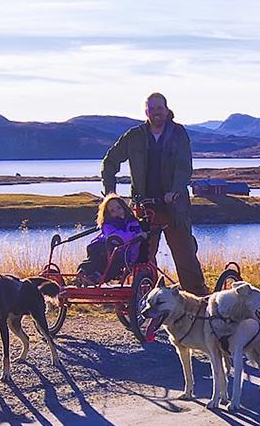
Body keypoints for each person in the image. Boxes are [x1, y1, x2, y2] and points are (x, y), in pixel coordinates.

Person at [101, 92, 208, 295]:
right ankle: (146, 300)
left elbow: (184, 166)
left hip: (174, 208)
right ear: (146, 112)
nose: (156, 112)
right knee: (142, 258)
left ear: (166, 110)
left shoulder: (178, 133)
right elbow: (110, 162)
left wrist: (175, 191)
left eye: (160, 108)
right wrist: (111, 194)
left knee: (185, 256)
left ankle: (198, 301)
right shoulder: (134, 136)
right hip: (143, 207)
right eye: (152, 109)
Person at [75, 194, 145, 285]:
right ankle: (83, 272)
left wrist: (139, 235)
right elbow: (114, 235)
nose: (117, 211)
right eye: (112, 210)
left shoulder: (133, 222)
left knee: (114, 261)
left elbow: (132, 236)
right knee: (96, 255)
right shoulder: (108, 225)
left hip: (125, 254)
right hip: (107, 249)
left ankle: (96, 277)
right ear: (108, 214)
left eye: (118, 208)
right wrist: (133, 236)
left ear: (123, 207)